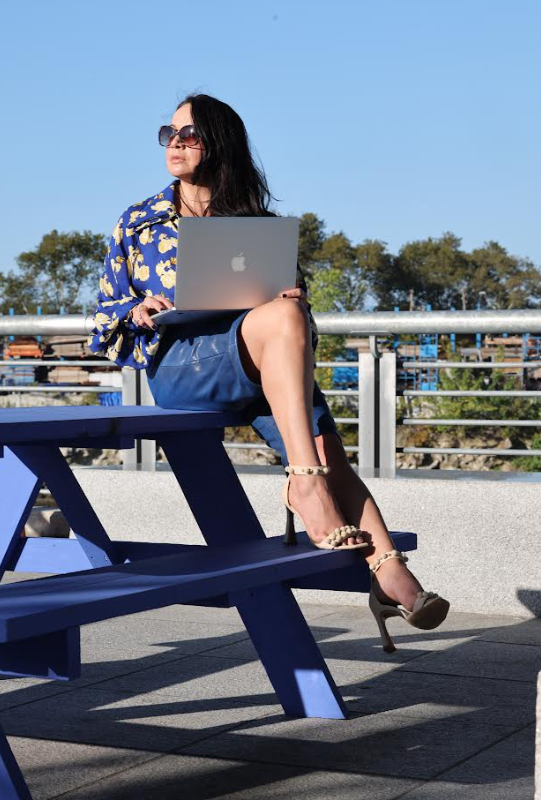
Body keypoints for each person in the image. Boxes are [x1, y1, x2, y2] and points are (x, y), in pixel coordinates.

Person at [88, 93, 449, 651]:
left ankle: (388, 574)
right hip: (183, 365)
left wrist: (290, 296)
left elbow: (293, 317)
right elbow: (103, 313)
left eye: (190, 134)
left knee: (323, 441)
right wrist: (135, 310)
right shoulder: (138, 220)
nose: (176, 144)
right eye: (170, 133)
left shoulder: (255, 225)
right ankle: (307, 490)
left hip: (256, 363)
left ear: (218, 144)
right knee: (285, 334)